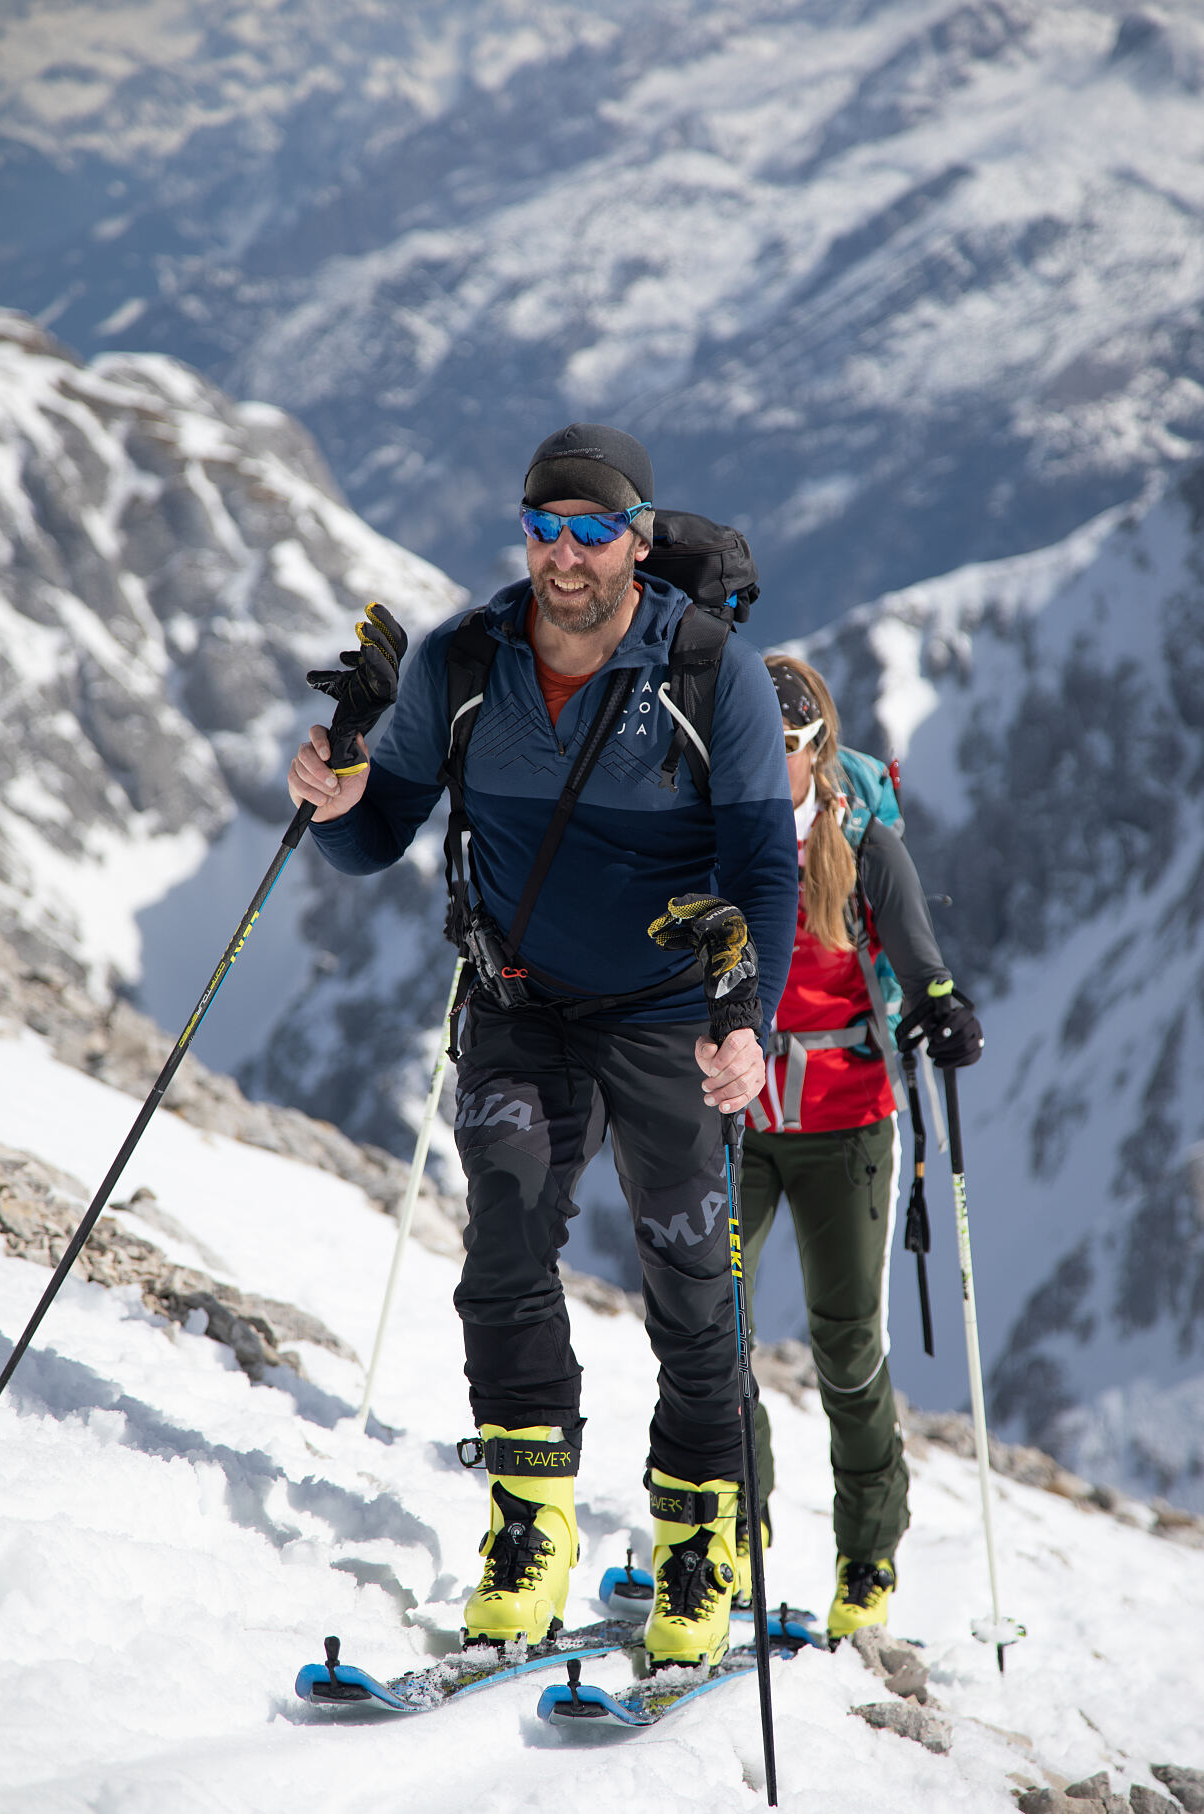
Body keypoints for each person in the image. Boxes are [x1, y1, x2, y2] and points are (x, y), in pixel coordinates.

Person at [287, 423, 797, 1671]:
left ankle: (698, 1537)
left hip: (672, 1009)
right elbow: (380, 836)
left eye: (590, 530)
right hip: (519, 1001)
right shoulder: (467, 659)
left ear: (636, 538)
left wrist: (746, 1021)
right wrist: (338, 803)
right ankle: (533, 1524)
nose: (563, 554)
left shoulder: (706, 670)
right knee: (504, 1242)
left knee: (688, 1274)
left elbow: (765, 870)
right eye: (543, 527)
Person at [738, 655, 983, 1643]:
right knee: (709, 1333)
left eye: (788, 744)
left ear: (818, 746)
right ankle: (723, 1531)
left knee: (845, 1345)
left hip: (844, 1121)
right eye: (754, 741)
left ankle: (868, 1553)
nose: (772, 760)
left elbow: (922, 963)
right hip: (739, 1118)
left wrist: (940, 1010)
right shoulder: (713, 831)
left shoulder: (860, 841)